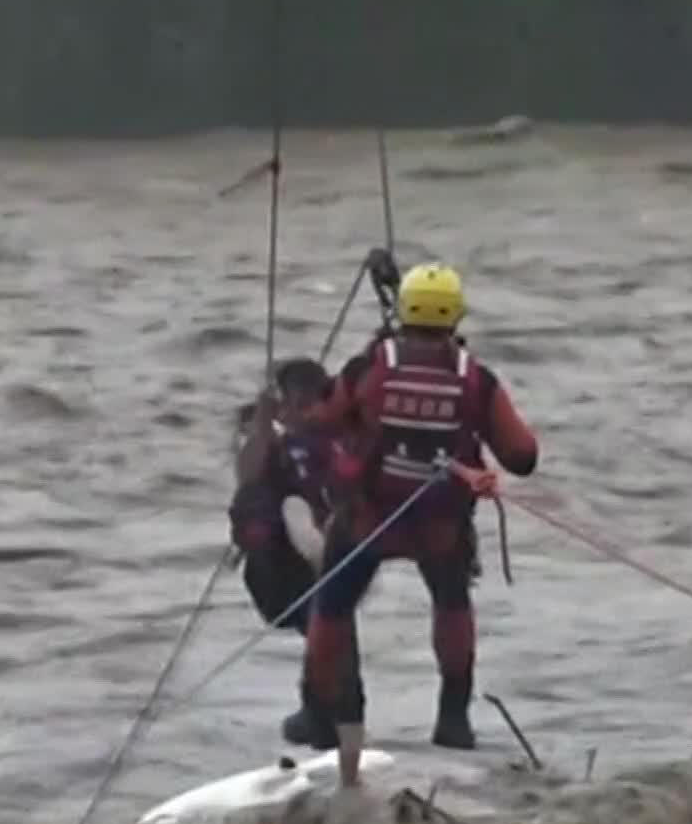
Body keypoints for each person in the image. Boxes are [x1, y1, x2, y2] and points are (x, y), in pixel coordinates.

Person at [298, 262, 540, 788]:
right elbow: (522, 455)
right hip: (441, 525)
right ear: (456, 315)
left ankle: (318, 714)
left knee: (332, 606)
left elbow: (321, 419)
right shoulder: (475, 378)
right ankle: (453, 717)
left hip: (368, 522)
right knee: (451, 601)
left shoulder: (369, 368)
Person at [228, 357, 343, 749]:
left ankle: (324, 716)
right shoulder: (283, 443)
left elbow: (248, 478)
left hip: (308, 555)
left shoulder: (318, 439)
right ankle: (324, 715)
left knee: (325, 627)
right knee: (323, 627)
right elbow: (249, 478)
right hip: (291, 561)